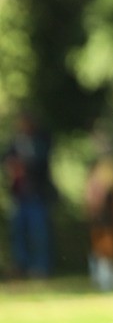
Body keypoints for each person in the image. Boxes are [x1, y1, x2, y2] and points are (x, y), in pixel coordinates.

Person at [3, 109, 56, 279]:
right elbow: (6, 160)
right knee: (18, 234)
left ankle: (40, 267)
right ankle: (21, 266)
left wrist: (23, 166)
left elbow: (41, 163)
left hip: (37, 195)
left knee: (39, 233)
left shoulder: (41, 141)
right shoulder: (15, 142)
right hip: (19, 196)